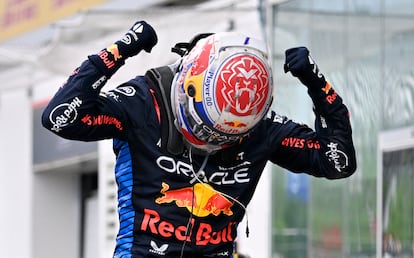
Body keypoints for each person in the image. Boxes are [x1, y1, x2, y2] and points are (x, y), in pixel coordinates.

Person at [41, 20, 357, 258]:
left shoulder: (262, 127)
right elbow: (60, 117)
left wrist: (317, 85)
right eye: (206, 129)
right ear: (186, 87)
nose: (214, 143)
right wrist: (121, 49)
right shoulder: (143, 101)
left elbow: (338, 161)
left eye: (228, 138)